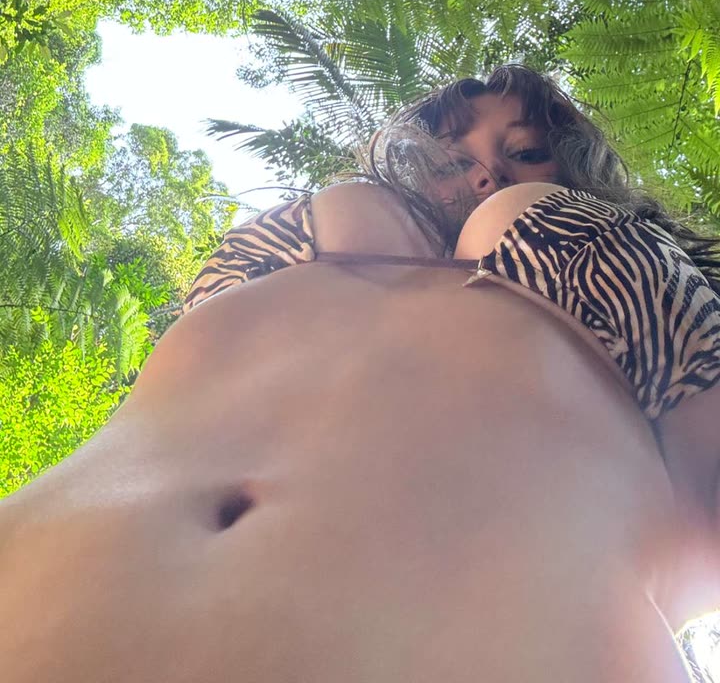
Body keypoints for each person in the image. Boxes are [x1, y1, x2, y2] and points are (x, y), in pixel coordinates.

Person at [2, 65, 720, 682]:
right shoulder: (356, 210)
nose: (484, 172)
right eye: (448, 152)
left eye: (526, 151)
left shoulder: (622, 258)